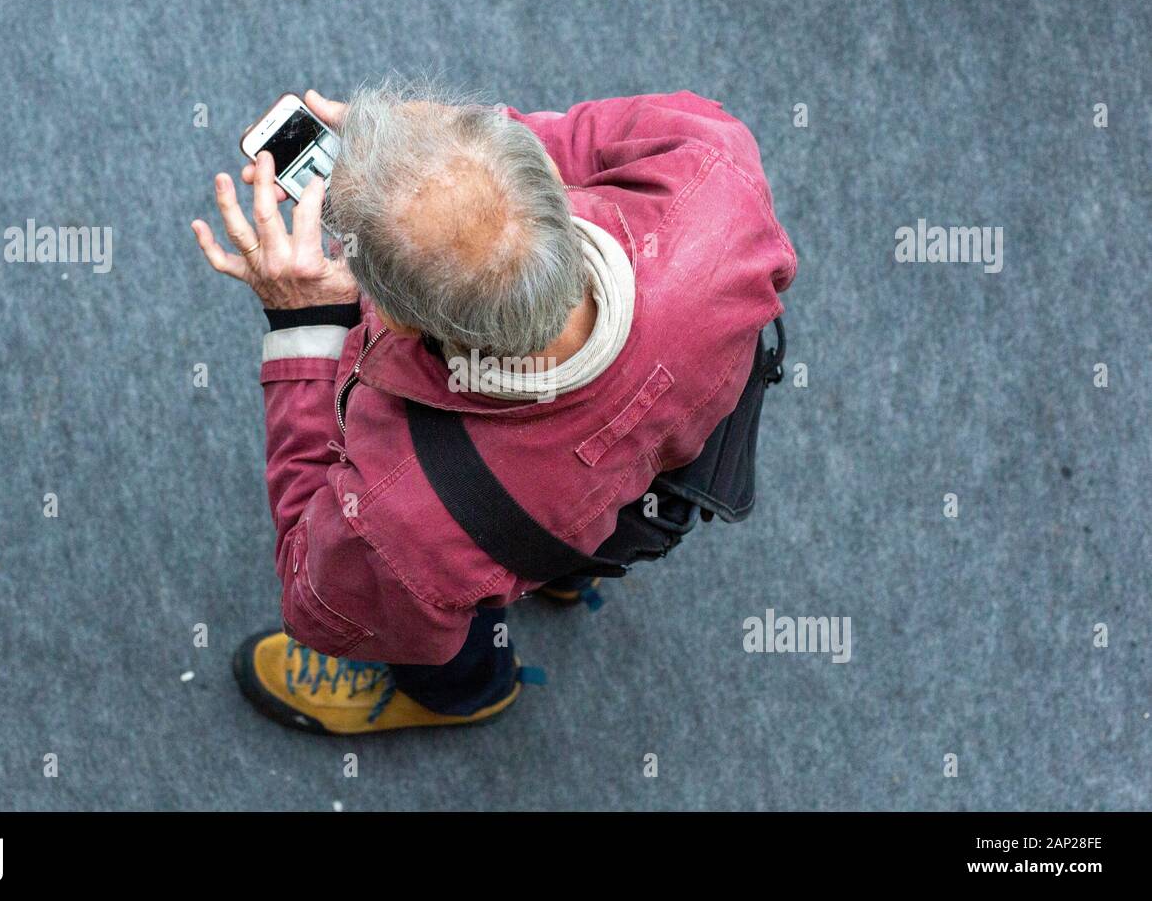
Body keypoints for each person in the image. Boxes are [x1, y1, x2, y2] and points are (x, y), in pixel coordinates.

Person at [191, 80, 796, 734]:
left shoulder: (399, 524)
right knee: (571, 535)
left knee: (417, 623)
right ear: (537, 173)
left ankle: (467, 694)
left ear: (387, 315)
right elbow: (578, 143)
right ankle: (569, 578)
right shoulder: (711, 170)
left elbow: (316, 601)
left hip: (489, 530)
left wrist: (304, 322)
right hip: (661, 462)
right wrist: (455, 163)